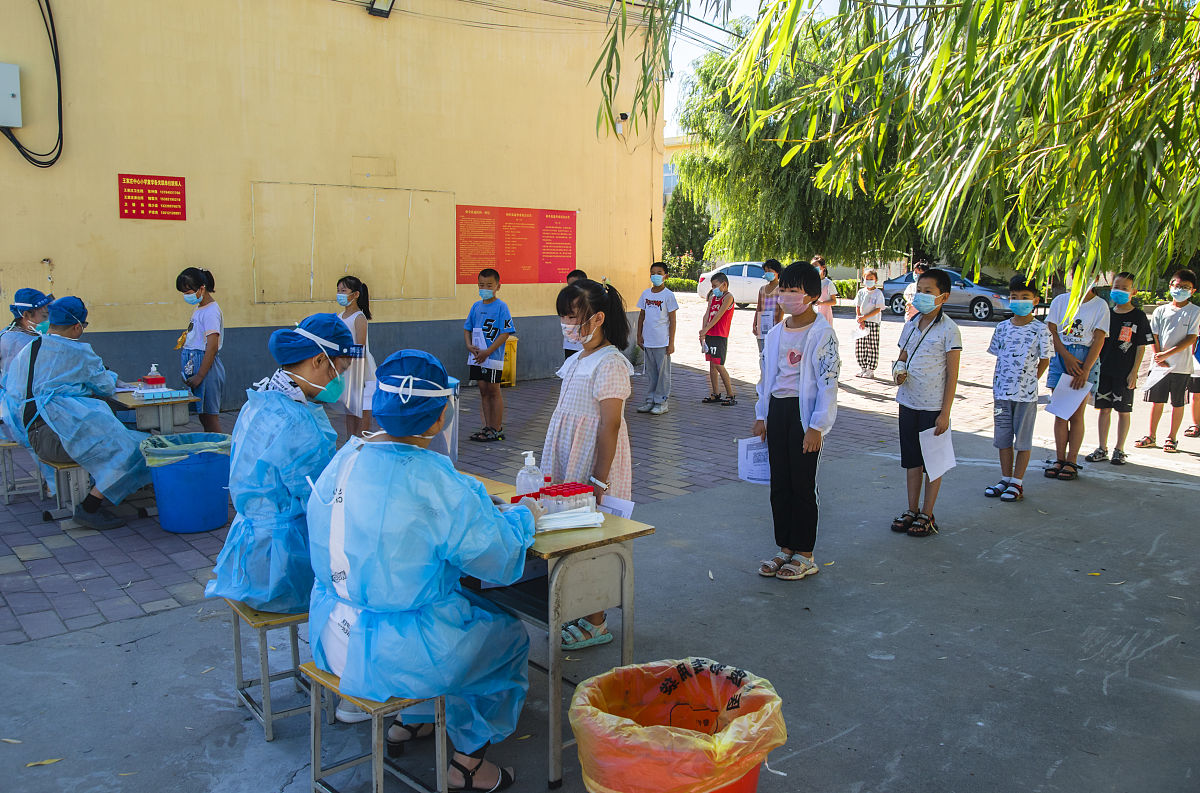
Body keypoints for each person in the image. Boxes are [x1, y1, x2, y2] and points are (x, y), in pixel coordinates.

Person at [307, 350, 538, 791]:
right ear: (438, 419)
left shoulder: (346, 457)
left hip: (333, 632)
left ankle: (412, 720)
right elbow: (498, 559)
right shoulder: (438, 479)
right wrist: (523, 516)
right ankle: (467, 766)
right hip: (399, 653)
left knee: (452, 611)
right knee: (505, 636)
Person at [205, 314, 359, 614]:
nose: (338, 381)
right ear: (318, 360)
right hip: (285, 566)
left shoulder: (263, 400)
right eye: (339, 370)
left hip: (249, 556)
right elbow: (322, 497)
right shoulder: (296, 422)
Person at [0, 297, 151, 530]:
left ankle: (100, 491)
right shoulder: (77, 351)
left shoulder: (28, 348)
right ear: (78, 326)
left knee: (118, 438)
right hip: (59, 438)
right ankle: (90, 506)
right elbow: (104, 386)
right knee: (139, 447)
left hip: (32, 435)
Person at [545, 278, 633, 650]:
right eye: (564, 317)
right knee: (572, 536)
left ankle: (596, 621)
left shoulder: (611, 362)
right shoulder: (579, 358)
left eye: (573, 318)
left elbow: (609, 424)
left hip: (595, 462)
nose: (567, 325)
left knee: (594, 540)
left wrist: (599, 482)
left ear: (597, 318)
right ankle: (582, 609)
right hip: (570, 454)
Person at [752, 261, 840, 580]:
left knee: (802, 484)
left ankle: (805, 552)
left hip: (805, 417)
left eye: (795, 290)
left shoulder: (822, 333)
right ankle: (785, 547)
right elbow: (767, 378)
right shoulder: (776, 333)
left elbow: (829, 382)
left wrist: (817, 426)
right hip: (778, 411)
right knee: (780, 483)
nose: (787, 296)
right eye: (784, 289)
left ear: (813, 295)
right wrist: (762, 415)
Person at [889, 268, 961, 537]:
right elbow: (901, 357)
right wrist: (898, 372)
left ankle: (927, 514)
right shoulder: (910, 324)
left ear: (943, 296)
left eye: (928, 291)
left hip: (933, 407)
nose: (921, 295)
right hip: (907, 402)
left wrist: (945, 413)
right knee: (912, 460)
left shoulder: (950, 330)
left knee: (933, 462)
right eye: (919, 290)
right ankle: (911, 509)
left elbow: (952, 375)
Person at [983, 277, 1053, 503]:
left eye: (1025, 297)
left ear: (1035, 300)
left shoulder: (1040, 329)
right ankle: (1005, 478)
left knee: (1022, 441)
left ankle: (1017, 482)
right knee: (1003, 439)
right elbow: (998, 356)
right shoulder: (1002, 327)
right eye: (1014, 297)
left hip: (1026, 395)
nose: (1019, 301)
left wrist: (1032, 379)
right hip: (1001, 394)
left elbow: (1045, 359)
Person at [1044, 271, 1109, 480]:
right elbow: (1052, 330)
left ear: (1096, 279)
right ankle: (1059, 458)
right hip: (1061, 357)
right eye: (1076, 274)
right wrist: (1065, 357)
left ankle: (1072, 460)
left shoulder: (1100, 305)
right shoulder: (1061, 300)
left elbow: (1099, 339)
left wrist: (1086, 368)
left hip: (1085, 358)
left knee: (1076, 414)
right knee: (1060, 412)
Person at [1084, 272, 1153, 465]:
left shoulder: (1138, 316)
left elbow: (1141, 346)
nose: (1119, 291)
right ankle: (1102, 447)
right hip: (1103, 370)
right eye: (1116, 287)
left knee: (1123, 411)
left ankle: (1119, 449)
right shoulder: (1105, 312)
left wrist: (1134, 372)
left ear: (1134, 291)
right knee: (1103, 410)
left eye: (1125, 288)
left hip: (1124, 373)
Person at [1136, 268, 1200, 453]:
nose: (1180, 290)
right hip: (1160, 367)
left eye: (1185, 287)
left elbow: (1191, 338)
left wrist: (1167, 354)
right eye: (1177, 286)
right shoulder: (1160, 310)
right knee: (1157, 402)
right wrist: (1158, 355)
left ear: (1193, 290)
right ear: (1171, 286)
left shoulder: (1194, 311)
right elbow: (1153, 335)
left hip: (1181, 367)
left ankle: (1172, 438)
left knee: (1177, 403)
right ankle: (1151, 435)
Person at [465, 268, 515, 442]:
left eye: (489, 285)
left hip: (492, 358)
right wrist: (469, 345)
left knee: (494, 390)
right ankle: (487, 426)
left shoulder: (502, 307)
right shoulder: (476, 306)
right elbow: (467, 328)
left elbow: (505, 332)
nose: (484, 288)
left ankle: (497, 428)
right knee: (483, 391)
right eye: (481, 285)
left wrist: (489, 351)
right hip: (477, 357)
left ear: (498, 286)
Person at [176, 267, 225, 433]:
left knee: (210, 417)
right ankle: (212, 450)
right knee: (203, 415)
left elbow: (211, 346)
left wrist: (200, 375)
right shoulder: (198, 308)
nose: (185, 295)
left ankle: (221, 452)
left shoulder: (211, 311)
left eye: (188, 291)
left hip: (206, 368)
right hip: (196, 364)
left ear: (201, 288)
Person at [0, 288, 53, 441]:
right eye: (43, 316)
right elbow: (20, 385)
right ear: (26, 315)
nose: (47, 320)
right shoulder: (14, 341)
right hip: (17, 408)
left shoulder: (29, 335)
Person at [334, 275, 377, 440]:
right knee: (350, 409)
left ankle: (362, 441)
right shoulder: (339, 317)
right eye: (338, 290)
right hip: (345, 367)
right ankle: (350, 442)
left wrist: (348, 361)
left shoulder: (359, 318)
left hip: (360, 368)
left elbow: (360, 348)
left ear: (356, 294)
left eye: (343, 290)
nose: (340, 294)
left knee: (362, 407)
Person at [635, 262, 678, 415]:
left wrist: (671, 342)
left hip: (662, 341)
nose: (655, 275)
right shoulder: (646, 294)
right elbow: (641, 316)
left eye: (659, 273)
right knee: (651, 373)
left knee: (662, 373)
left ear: (665, 276)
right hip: (648, 341)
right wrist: (639, 336)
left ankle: (662, 401)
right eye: (653, 272)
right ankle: (650, 400)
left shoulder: (668, 295)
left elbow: (672, 320)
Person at [700, 271, 737, 406]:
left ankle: (731, 395)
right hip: (710, 334)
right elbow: (707, 314)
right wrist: (703, 331)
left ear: (724, 284)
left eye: (715, 286)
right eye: (712, 286)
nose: (714, 289)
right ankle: (715, 393)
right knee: (711, 365)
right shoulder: (712, 298)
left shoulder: (728, 297)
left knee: (719, 365)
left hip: (720, 335)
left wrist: (706, 328)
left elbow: (719, 315)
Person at [853, 269, 886, 378]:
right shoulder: (861, 292)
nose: (869, 281)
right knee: (860, 345)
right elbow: (857, 306)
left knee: (872, 346)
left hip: (873, 322)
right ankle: (862, 367)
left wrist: (865, 317)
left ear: (876, 280)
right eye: (867, 279)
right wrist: (860, 319)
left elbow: (878, 308)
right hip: (861, 322)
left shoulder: (878, 293)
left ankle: (870, 369)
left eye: (871, 279)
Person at [752, 259, 784, 357]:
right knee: (762, 354)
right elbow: (759, 307)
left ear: (777, 272)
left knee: (773, 354)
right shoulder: (762, 289)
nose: (767, 273)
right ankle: (764, 372)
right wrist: (755, 323)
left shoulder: (781, 288)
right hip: (763, 325)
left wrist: (778, 325)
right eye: (765, 271)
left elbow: (781, 308)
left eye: (770, 271)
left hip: (775, 325)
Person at [562, 269, 589, 359]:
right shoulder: (566, 299)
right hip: (570, 345)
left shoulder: (590, 300)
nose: (571, 288)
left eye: (574, 285)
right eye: (569, 285)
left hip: (586, 345)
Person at [812, 255, 836, 325]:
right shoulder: (811, 283)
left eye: (815, 265)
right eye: (812, 266)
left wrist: (822, 303)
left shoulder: (828, 283)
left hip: (825, 315)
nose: (814, 268)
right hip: (813, 316)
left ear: (823, 267)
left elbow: (834, 301)